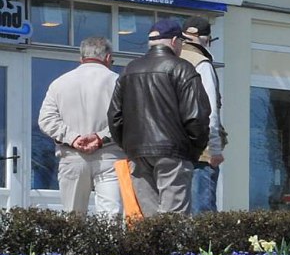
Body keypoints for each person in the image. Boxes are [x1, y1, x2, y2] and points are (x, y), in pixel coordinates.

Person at [107, 19, 209, 216]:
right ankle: (172, 248)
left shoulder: (129, 70)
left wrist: (128, 146)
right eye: (181, 42)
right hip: (174, 152)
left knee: (150, 222)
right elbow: (197, 116)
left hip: (137, 153)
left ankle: (154, 248)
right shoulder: (183, 69)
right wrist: (194, 150)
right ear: (173, 41)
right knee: (174, 218)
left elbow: (115, 116)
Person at [38, 37, 123, 216]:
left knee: (73, 217)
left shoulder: (59, 83)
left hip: (72, 156)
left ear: (81, 58)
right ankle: (109, 245)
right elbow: (129, 119)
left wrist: (73, 138)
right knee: (111, 216)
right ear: (108, 58)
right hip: (110, 155)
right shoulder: (119, 82)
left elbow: (46, 119)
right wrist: (101, 137)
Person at [179, 17, 225, 213]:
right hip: (199, 152)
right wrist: (214, 149)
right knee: (203, 216)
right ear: (206, 40)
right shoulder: (202, 64)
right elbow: (210, 112)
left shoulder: (169, 60)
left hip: (170, 150)